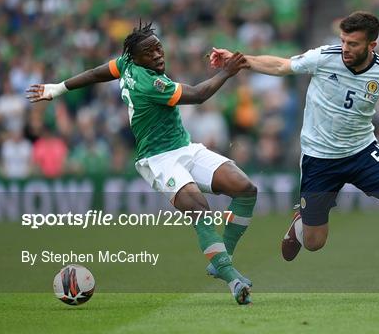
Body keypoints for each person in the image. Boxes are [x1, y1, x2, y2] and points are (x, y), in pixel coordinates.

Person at [210, 11, 379, 300]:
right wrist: (240, 61)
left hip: (362, 153)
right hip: (319, 160)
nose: (345, 48)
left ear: (372, 45)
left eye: (353, 43)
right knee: (315, 243)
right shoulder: (324, 57)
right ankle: (300, 224)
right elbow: (282, 65)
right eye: (343, 40)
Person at [27, 22, 257, 305]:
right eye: (150, 52)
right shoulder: (152, 83)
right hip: (158, 159)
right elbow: (197, 95)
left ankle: (223, 259)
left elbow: (99, 72)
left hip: (185, 147)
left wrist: (59, 87)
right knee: (199, 209)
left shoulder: (126, 63)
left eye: (158, 47)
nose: (158, 55)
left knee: (246, 188)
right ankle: (231, 277)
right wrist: (227, 71)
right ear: (136, 58)